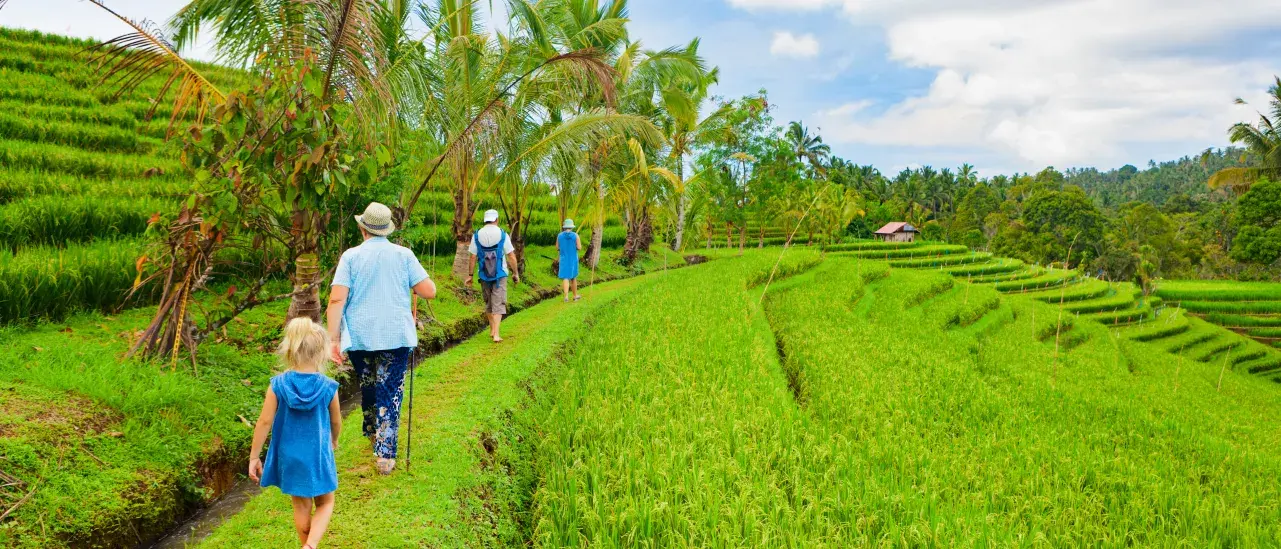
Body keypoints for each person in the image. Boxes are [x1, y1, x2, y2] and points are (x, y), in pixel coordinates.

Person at [326, 202, 436, 475]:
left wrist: (333, 339)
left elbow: (337, 299)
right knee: (390, 390)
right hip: (395, 335)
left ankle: (375, 435)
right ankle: (385, 455)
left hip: (361, 337)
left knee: (370, 386)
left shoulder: (350, 257)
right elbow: (429, 290)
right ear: (387, 230)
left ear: (363, 228)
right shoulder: (403, 255)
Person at [248, 317, 341, 549]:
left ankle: (304, 544)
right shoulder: (329, 387)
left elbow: (264, 421)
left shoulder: (278, 385)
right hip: (317, 453)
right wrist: (334, 440)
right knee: (326, 501)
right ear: (321, 352)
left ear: (289, 350)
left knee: (300, 505)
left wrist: (254, 456)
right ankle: (310, 546)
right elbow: (335, 420)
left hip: (289, 455)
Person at [466, 209, 520, 343]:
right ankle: (496, 334)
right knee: (499, 303)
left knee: (489, 302)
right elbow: (511, 256)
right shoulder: (502, 234)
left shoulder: (477, 235)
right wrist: (515, 273)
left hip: (483, 274)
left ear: (485, 220)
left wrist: (470, 275)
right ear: (496, 219)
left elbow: (472, 257)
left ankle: (492, 329)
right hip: (500, 274)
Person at [557, 219, 581, 302]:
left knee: (565, 277)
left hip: (563, 259)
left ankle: (566, 297)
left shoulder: (559, 236)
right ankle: (575, 296)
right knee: (573, 277)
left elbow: (557, 247)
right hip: (573, 259)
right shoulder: (575, 236)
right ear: (571, 227)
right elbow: (579, 247)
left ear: (564, 227)